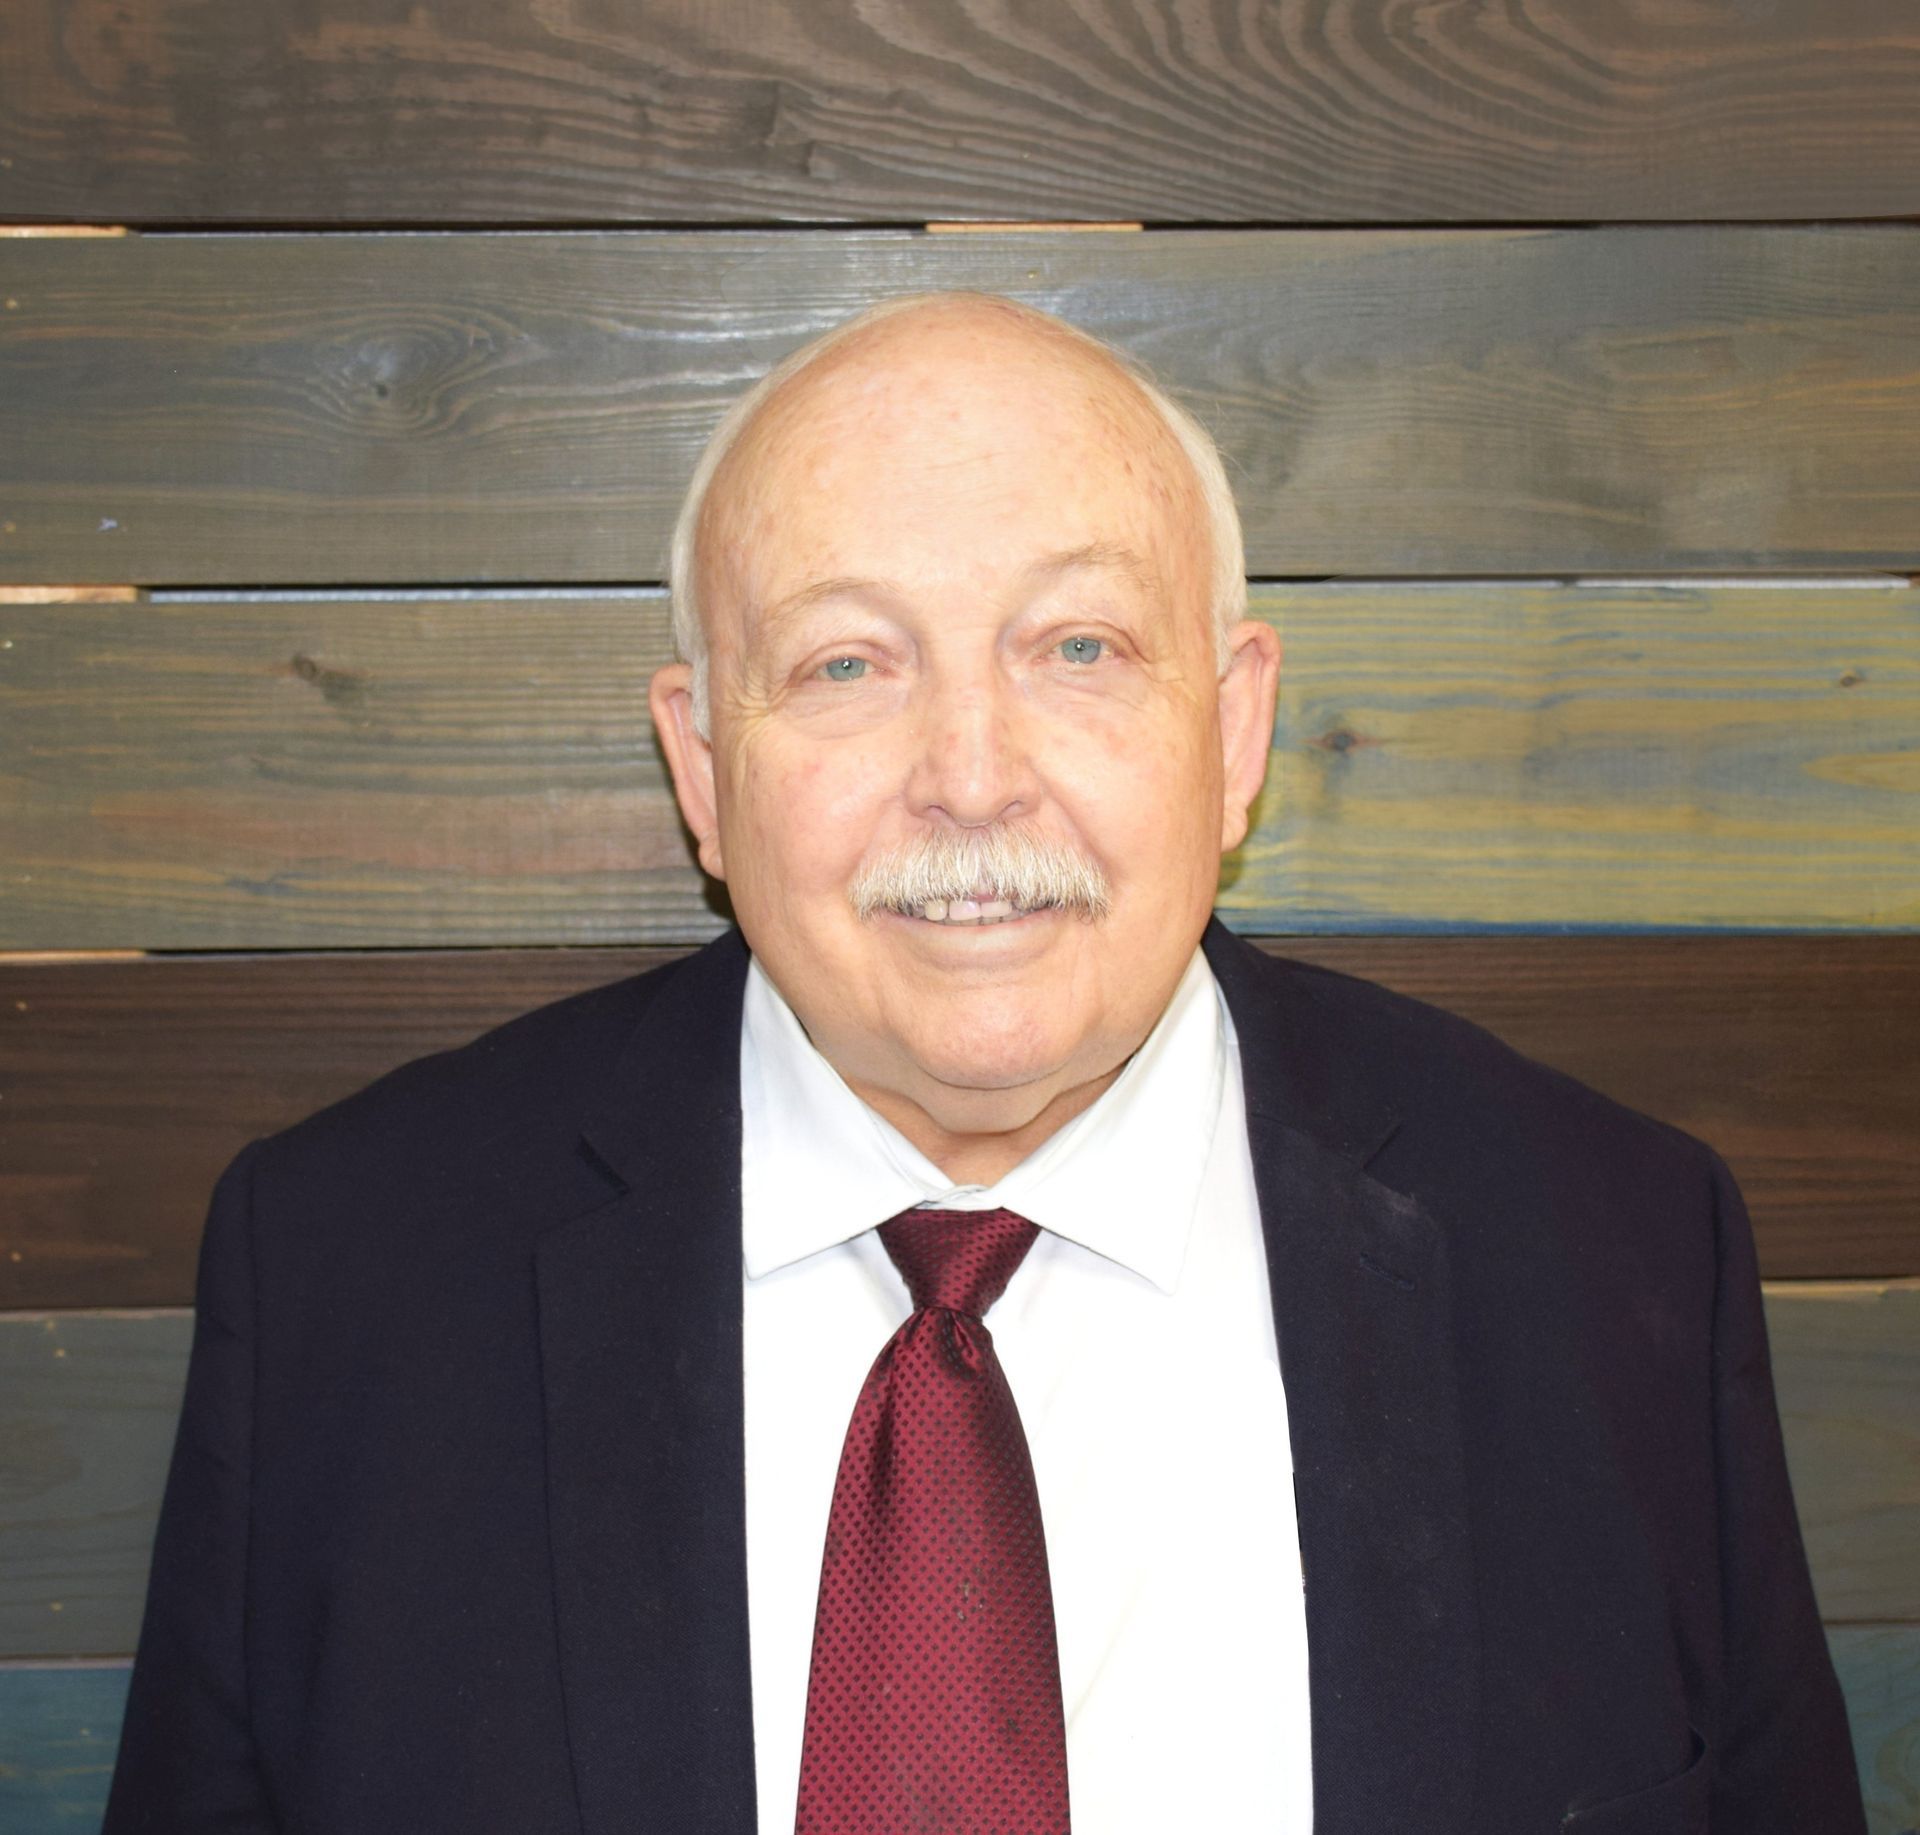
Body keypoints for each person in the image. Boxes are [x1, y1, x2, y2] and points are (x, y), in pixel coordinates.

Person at [104, 290, 1865, 1834]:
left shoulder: (1615, 1253)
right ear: (704, 766)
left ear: (1234, 728)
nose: (969, 775)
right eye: (847, 663)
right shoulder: (346, 1279)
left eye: (1078, 648)